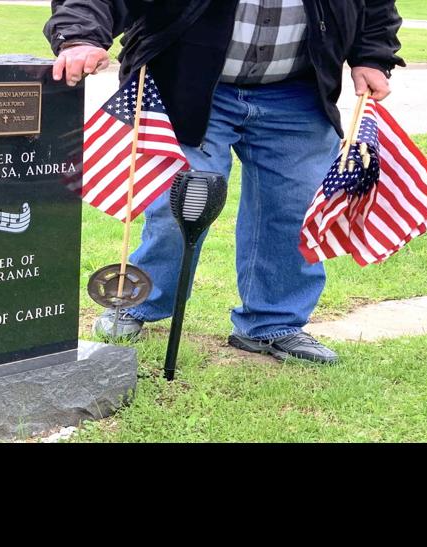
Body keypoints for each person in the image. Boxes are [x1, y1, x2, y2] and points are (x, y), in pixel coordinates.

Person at [46, 1, 403, 364]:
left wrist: (372, 57)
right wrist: (80, 36)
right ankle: (139, 303)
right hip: (187, 80)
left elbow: (375, 5)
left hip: (299, 91)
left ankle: (273, 324)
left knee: (295, 207)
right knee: (183, 202)